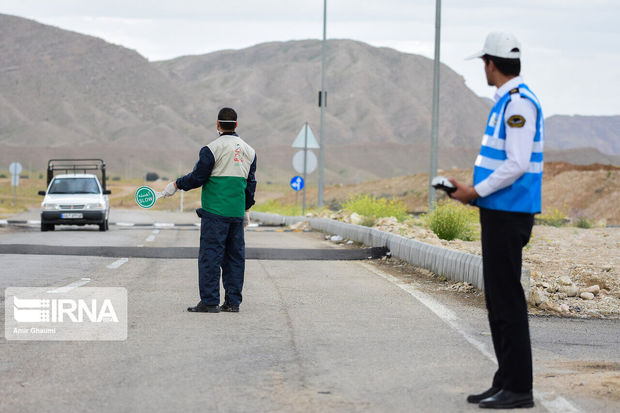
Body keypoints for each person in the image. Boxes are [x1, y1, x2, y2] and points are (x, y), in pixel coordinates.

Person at [449, 32, 543, 409]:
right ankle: (505, 380)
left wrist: (476, 191)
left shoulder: (519, 104)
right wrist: (476, 192)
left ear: (492, 63)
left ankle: (519, 387)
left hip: (509, 212)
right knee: (498, 299)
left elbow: (518, 163)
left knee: (507, 301)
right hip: (498, 210)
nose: (483, 69)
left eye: (483, 63)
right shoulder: (506, 102)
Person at [161, 107, 257, 313]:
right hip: (236, 214)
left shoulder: (211, 149)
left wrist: (176, 185)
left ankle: (210, 302)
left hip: (215, 213)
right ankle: (233, 303)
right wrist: (246, 210)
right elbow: (251, 184)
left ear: (218, 125)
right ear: (236, 125)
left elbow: (198, 177)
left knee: (211, 256)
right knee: (235, 258)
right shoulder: (250, 151)